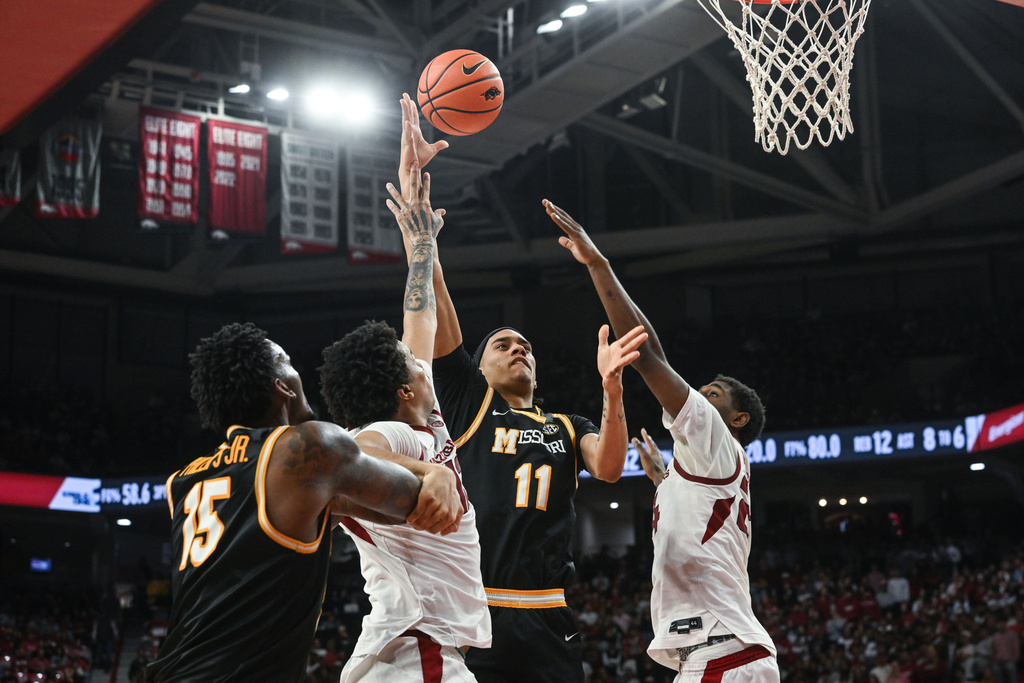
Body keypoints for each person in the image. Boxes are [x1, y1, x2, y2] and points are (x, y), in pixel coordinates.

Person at [395, 93, 648, 683]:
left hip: (547, 610)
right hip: (475, 607)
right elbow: (436, 315)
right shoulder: (467, 400)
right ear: (477, 368)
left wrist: (611, 388)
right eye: (502, 344)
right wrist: (416, 209)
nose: (518, 347)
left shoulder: (567, 427)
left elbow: (610, 468)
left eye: (524, 344)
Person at [147, 321, 463, 682]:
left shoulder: (183, 481)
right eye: (289, 362)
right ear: (282, 387)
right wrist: (435, 472)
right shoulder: (307, 448)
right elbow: (415, 503)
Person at [544, 199, 780, 682]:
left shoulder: (718, 438)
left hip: (722, 650)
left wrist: (598, 264)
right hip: (718, 652)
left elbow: (648, 351)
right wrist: (662, 478)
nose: (697, 394)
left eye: (711, 394)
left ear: (735, 418)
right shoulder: (706, 466)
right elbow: (656, 345)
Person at [318, 164, 490, 681]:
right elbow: (351, 453)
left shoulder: (425, 415)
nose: (420, 355)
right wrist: (431, 474)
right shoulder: (397, 434)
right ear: (403, 386)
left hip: (412, 650)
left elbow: (421, 315)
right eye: (411, 358)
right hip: (417, 649)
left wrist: (420, 241)